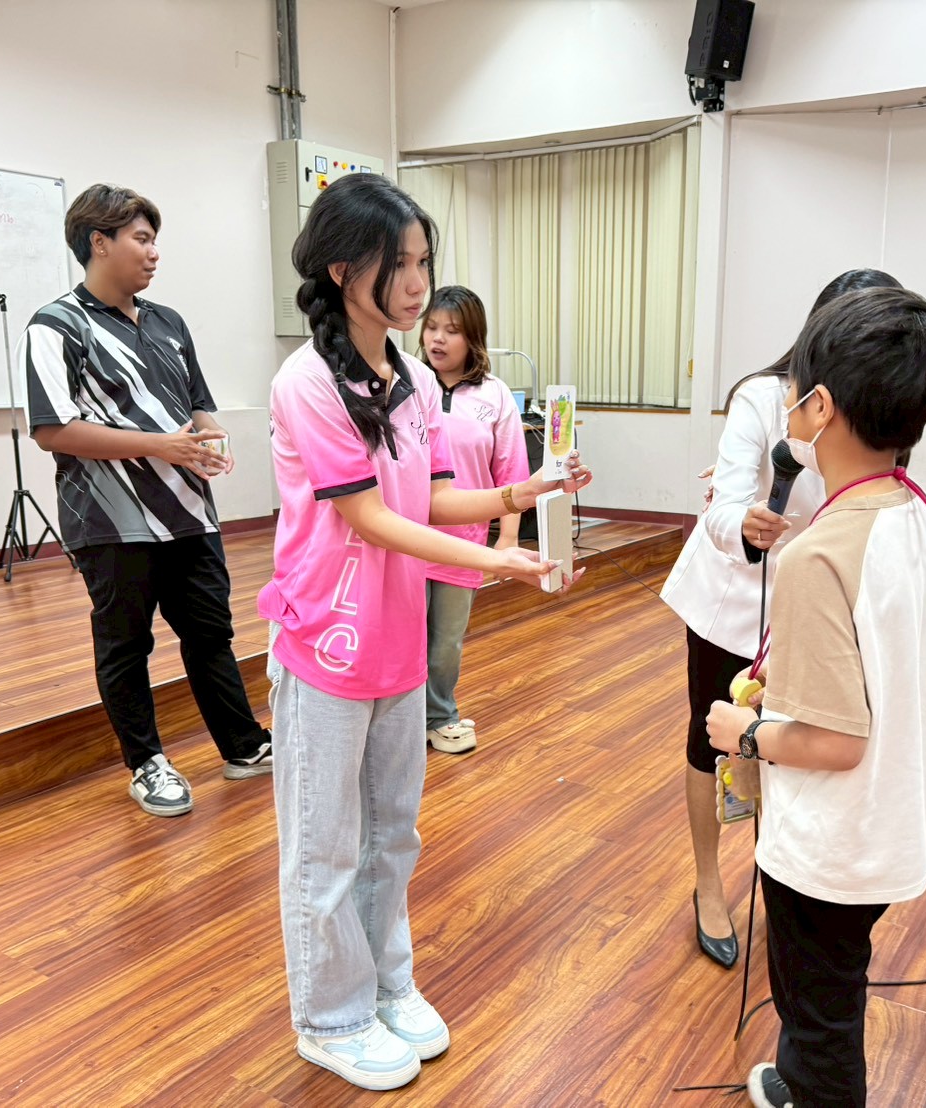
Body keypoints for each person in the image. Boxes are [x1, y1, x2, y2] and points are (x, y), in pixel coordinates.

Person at [259, 173, 591, 1093]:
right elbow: (368, 517)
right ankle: (329, 1018)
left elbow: (431, 497)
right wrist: (497, 563)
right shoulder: (306, 381)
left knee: (392, 835)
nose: (416, 285)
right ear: (341, 270)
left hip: (397, 641)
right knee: (325, 846)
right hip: (327, 643)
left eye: (423, 263)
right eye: (397, 265)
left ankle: (384, 985)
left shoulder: (405, 378)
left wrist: (519, 493)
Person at [706, 286, 926, 1108]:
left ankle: (814, 1088)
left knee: (818, 1010)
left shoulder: (818, 556)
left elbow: (832, 742)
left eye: (793, 394)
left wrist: (743, 731)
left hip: (831, 845)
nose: (787, 408)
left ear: (818, 408)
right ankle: (799, 1078)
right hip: (892, 823)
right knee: (833, 983)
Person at [660, 269, 902, 967]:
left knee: (787, 745)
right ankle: (709, 885)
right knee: (711, 741)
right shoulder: (763, 397)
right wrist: (743, 521)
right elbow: (725, 500)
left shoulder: (873, 411)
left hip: (814, 609)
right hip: (734, 598)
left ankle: (780, 877)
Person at [19, 183, 272, 817]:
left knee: (210, 633)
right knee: (126, 645)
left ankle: (243, 746)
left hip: (190, 511)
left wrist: (211, 438)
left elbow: (198, 403)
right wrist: (161, 445)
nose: (154, 252)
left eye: (155, 240)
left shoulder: (168, 322)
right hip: (111, 520)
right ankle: (146, 763)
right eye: (142, 239)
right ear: (99, 243)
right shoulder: (56, 325)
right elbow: (52, 429)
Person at [417, 286, 530, 754]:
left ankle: (440, 716)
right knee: (402, 636)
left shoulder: (494, 394)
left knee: (445, 641)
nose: (437, 339)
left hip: (463, 541)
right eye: (431, 328)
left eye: (452, 331)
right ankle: (399, 721)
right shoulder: (406, 383)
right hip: (406, 537)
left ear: (473, 338)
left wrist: (507, 539)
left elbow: (511, 471)